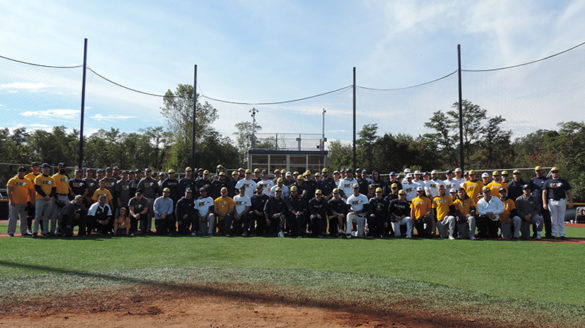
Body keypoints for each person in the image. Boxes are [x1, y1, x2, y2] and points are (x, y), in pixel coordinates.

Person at [542, 167, 573, 239]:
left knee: (561, 219)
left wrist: (571, 201)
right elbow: (544, 192)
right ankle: (554, 234)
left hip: (561, 200)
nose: (555, 173)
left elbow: (569, 192)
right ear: (551, 173)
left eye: (556, 172)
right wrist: (544, 203)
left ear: (559, 172)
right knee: (553, 219)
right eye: (553, 172)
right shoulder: (547, 182)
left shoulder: (563, 181)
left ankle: (562, 234)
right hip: (552, 201)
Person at [6, 166, 35, 237]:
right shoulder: (12, 180)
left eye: (23, 171)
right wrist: (11, 200)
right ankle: (11, 232)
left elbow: (31, 191)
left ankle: (24, 232)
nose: (22, 173)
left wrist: (31, 201)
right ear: (17, 172)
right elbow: (9, 191)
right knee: (13, 218)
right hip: (14, 202)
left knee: (24, 218)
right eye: (20, 171)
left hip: (24, 202)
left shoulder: (27, 180)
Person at [33, 163, 56, 237]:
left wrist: (49, 196)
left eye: (47, 168)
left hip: (49, 199)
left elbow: (54, 189)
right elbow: (37, 188)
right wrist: (45, 195)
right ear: (42, 169)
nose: (46, 169)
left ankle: (45, 231)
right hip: (40, 199)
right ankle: (35, 231)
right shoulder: (38, 177)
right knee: (38, 216)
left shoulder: (51, 179)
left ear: (49, 169)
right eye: (44, 168)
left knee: (46, 216)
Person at [51, 162, 72, 235]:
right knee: (55, 215)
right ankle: (52, 231)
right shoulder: (54, 176)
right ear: (58, 168)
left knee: (65, 214)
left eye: (63, 167)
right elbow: (53, 188)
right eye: (60, 167)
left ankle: (61, 230)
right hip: (58, 196)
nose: (62, 168)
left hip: (65, 196)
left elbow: (67, 188)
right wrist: (56, 198)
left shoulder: (66, 177)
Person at [136, 168, 160, 233]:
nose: (148, 173)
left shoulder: (154, 181)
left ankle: (148, 228)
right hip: (143, 199)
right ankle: (141, 228)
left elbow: (157, 190)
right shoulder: (142, 180)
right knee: (143, 213)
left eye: (149, 172)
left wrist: (156, 197)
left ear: (151, 173)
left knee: (150, 214)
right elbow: (138, 190)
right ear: (145, 173)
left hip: (151, 199)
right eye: (146, 172)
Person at [531, 166, 551, 238]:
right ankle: (535, 233)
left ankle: (548, 234)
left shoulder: (547, 180)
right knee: (536, 219)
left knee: (547, 219)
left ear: (541, 171)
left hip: (544, 202)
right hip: (535, 203)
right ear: (535, 172)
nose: (538, 172)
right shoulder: (532, 180)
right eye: (537, 171)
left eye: (539, 170)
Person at [24, 162, 41, 233]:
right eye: (33, 166)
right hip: (29, 198)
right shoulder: (27, 176)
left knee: (40, 215)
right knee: (29, 215)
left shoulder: (41, 176)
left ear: (39, 167)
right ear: (31, 168)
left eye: (36, 166)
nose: (35, 168)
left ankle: (43, 230)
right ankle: (29, 229)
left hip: (39, 198)